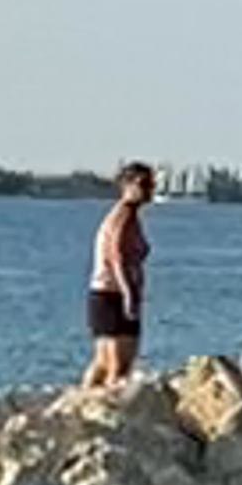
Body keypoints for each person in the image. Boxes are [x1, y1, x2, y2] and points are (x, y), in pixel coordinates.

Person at [83, 161, 155, 389]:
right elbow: (118, 257)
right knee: (119, 366)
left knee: (103, 362)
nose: (148, 190)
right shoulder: (122, 217)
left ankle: (83, 403)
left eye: (151, 184)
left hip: (105, 294)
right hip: (113, 295)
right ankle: (107, 409)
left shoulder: (128, 217)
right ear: (126, 185)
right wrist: (130, 295)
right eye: (142, 184)